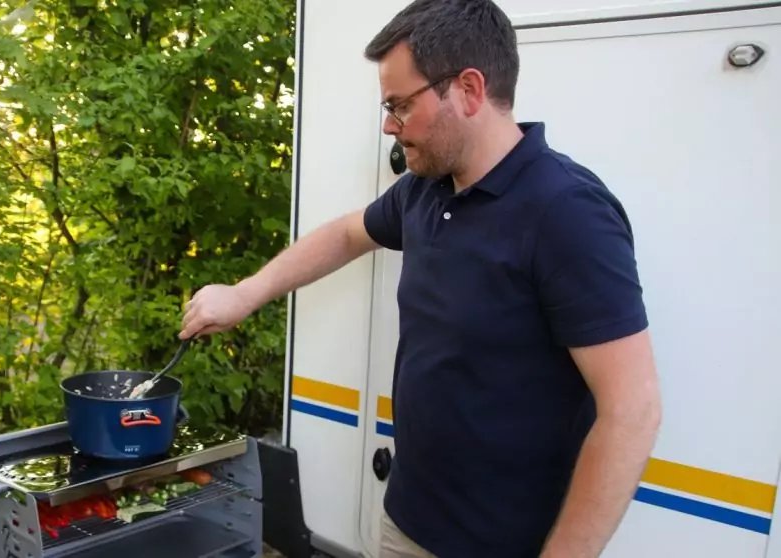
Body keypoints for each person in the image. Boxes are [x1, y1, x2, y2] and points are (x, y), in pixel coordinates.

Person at [180, 0, 662, 556]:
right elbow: (346, 234)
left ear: (469, 89)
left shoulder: (566, 212)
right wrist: (244, 294)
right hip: (406, 522)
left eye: (400, 105)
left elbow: (632, 410)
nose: (389, 125)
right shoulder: (426, 190)